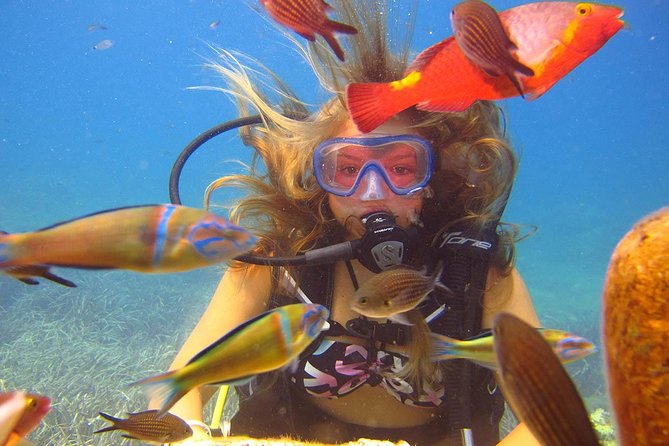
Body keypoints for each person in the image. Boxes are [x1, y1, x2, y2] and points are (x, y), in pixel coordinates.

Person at [154, 2, 541, 445]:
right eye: (346, 168)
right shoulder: (275, 263)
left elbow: (548, 419)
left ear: (433, 177)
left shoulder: (478, 274)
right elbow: (177, 386)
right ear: (319, 179)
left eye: (400, 168)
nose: (372, 192)